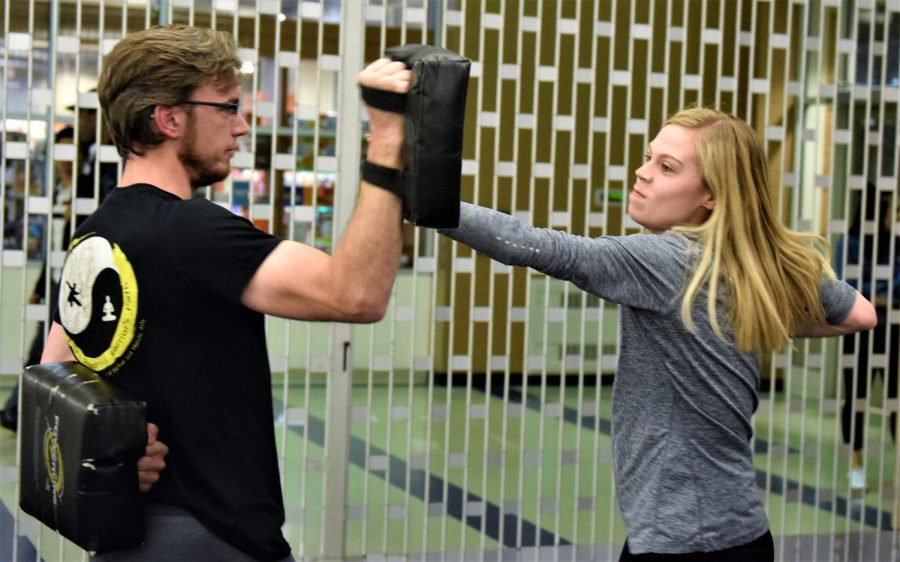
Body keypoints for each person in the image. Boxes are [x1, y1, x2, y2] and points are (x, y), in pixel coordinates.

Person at [438, 107, 877, 561]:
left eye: (666, 168)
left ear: (711, 194)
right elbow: (861, 315)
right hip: (734, 534)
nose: (642, 174)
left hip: (686, 543)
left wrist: (428, 199)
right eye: (649, 158)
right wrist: (742, 312)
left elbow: (532, 244)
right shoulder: (749, 262)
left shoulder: (665, 261)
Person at [40, 24, 409, 562]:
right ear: (168, 118)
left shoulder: (97, 232)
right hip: (212, 538)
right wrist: (388, 141)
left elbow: (53, 369)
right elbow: (355, 294)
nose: (240, 127)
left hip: (132, 539)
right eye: (226, 107)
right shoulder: (191, 232)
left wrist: (101, 450)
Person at [835, 186, 899, 490]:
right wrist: (881, 295)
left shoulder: (895, 245)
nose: (891, 218)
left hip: (891, 330)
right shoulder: (847, 243)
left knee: (895, 398)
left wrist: (874, 294)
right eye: (888, 213)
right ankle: (855, 462)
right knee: (856, 397)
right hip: (858, 332)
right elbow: (844, 286)